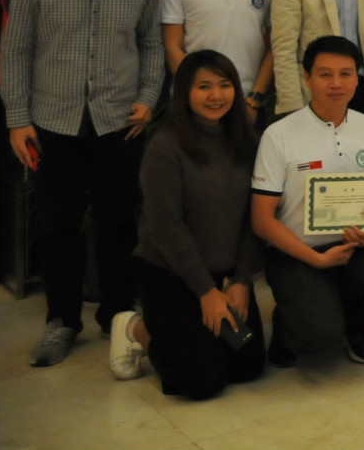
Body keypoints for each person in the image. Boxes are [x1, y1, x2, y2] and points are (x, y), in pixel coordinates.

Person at [3, 0, 161, 368]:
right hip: (53, 122)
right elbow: (15, 49)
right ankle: (62, 320)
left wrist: (148, 99)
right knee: (58, 225)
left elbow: (151, 43)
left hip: (119, 122)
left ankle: (118, 313)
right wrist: (17, 119)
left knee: (118, 222)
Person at [250, 36, 364, 367]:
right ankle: (290, 322)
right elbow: (261, 219)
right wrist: (316, 259)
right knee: (319, 337)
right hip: (296, 253)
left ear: (357, 79)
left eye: (345, 74)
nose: (336, 84)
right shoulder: (278, 135)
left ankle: (354, 322)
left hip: (354, 247)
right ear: (307, 78)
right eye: (325, 75)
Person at [109, 51, 265, 398]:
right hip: (171, 272)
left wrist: (242, 280)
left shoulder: (249, 143)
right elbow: (166, 228)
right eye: (203, 87)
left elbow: (254, 218)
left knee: (247, 366)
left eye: (224, 85)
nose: (216, 95)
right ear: (184, 93)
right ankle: (134, 328)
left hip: (226, 275)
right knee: (201, 381)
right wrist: (205, 291)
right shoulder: (165, 147)